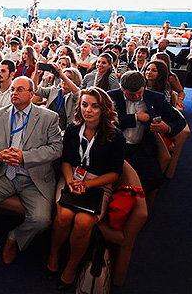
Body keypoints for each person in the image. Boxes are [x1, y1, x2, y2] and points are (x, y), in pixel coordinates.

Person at [0, 76, 62, 274]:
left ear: (32, 93)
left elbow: (56, 149)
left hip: (32, 178)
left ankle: (15, 236)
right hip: (4, 173)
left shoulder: (48, 117)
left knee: (41, 220)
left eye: (20, 89)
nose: (14, 93)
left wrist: (24, 157)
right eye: (12, 89)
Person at [47, 87, 125, 289]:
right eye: (84, 105)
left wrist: (87, 184)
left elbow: (114, 174)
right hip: (72, 176)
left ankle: (72, 266)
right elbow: (66, 161)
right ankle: (54, 253)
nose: (88, 110)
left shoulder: (115, 136)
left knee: (83, 222)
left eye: (94, 106)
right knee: (64, 216)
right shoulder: (73, 130)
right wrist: (70, 181)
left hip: (99, 183)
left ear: (104, 109)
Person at [108, 71, 186, 193]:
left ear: (143, 87)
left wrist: (167, 128)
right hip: (115, 145)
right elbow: (108, 121)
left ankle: (133, 196)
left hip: (141, 147)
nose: (136, 97)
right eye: (131, 94)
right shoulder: (111, 96)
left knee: (155, 179)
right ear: (122, 89)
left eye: (139, 93)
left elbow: (179, 121)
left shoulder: (156, 98)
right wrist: (135, 118)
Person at [33, 64, 82, 130]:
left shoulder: (74, 96)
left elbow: (78, 94)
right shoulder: (53, 90)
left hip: (64, 130)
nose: (64, 80)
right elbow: (35, 90)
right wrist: (36, 73)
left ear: (76, 81)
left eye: (69, 78)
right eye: (62, 78)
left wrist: (63, 76)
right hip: (47, 126)